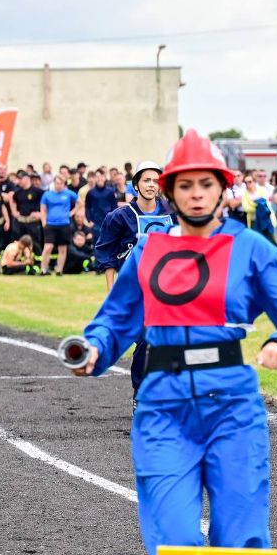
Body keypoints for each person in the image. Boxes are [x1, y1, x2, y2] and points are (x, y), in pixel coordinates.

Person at [72, 129, 277, 555]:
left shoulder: (252, 248)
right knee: (176, 534)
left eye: (205, 183)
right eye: (184, 185)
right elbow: (115, 321)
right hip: (161, 404)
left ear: (222, 189)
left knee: (240, 533)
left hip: (233, 404)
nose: (195, 193)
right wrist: (92, 351)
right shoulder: (148, 251)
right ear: (169, 191)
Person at [95, 160, 175, 400]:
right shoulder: (120, 217)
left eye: (156, 181)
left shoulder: (173, 214)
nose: (152, 185)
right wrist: (111, 292)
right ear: (136, 185)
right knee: (145, 341)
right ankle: (141, 395)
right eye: (146, 180)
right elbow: (106, 255)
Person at [39, 175, 78, 275]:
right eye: (57, 183)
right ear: (54, 183)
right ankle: (43, 269)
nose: (58, 185)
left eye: (60, 183)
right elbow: (43, 209)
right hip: (50, 224)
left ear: (63, 184)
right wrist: (44, 222)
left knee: (62, 248)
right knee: (48, 247)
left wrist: (71, 213)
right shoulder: (47, 195)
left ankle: (59, 270)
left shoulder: (68, 194)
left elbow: (80, 203)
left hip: (64, 224)